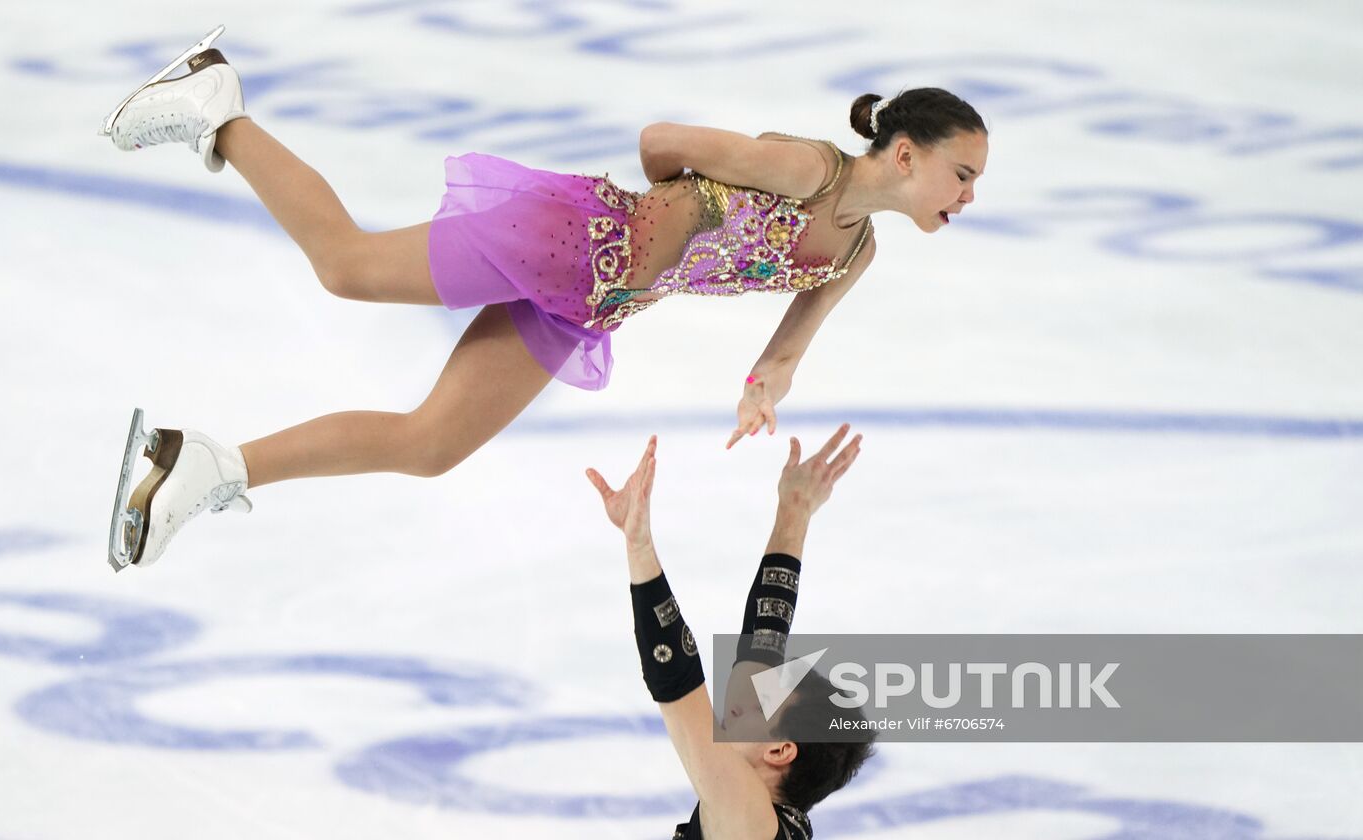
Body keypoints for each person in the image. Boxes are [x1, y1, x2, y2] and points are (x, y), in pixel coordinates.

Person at [100, 26, 988, 570]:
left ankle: (212, 467)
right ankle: (218, 105)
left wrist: (763, 390)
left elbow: (787, 351)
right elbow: (660, 143)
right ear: (904, 153)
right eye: (961, 173)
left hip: (593, 303)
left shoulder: (856, 252)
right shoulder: (807, 169)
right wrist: (666, 227)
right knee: (347, 265)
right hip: (579, 241)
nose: (967, 196)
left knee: (431, 444)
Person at [585, 424, 876, 839]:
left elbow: (678, 687)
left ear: (779, 750)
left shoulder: (749, 822)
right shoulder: (763, 811)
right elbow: (765, 634)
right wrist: (794, 509)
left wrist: (640, 547)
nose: (737, 700)